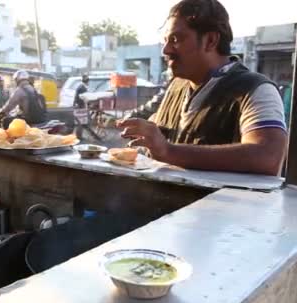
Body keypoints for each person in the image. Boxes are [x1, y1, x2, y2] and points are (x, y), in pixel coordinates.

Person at [116, 0, 287, 176]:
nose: (166, 50)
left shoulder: (254, 90)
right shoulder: (175, 86)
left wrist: (168, 151)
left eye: (175, 39)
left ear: (211, 41)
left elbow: (268, 158)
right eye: (165, 41)